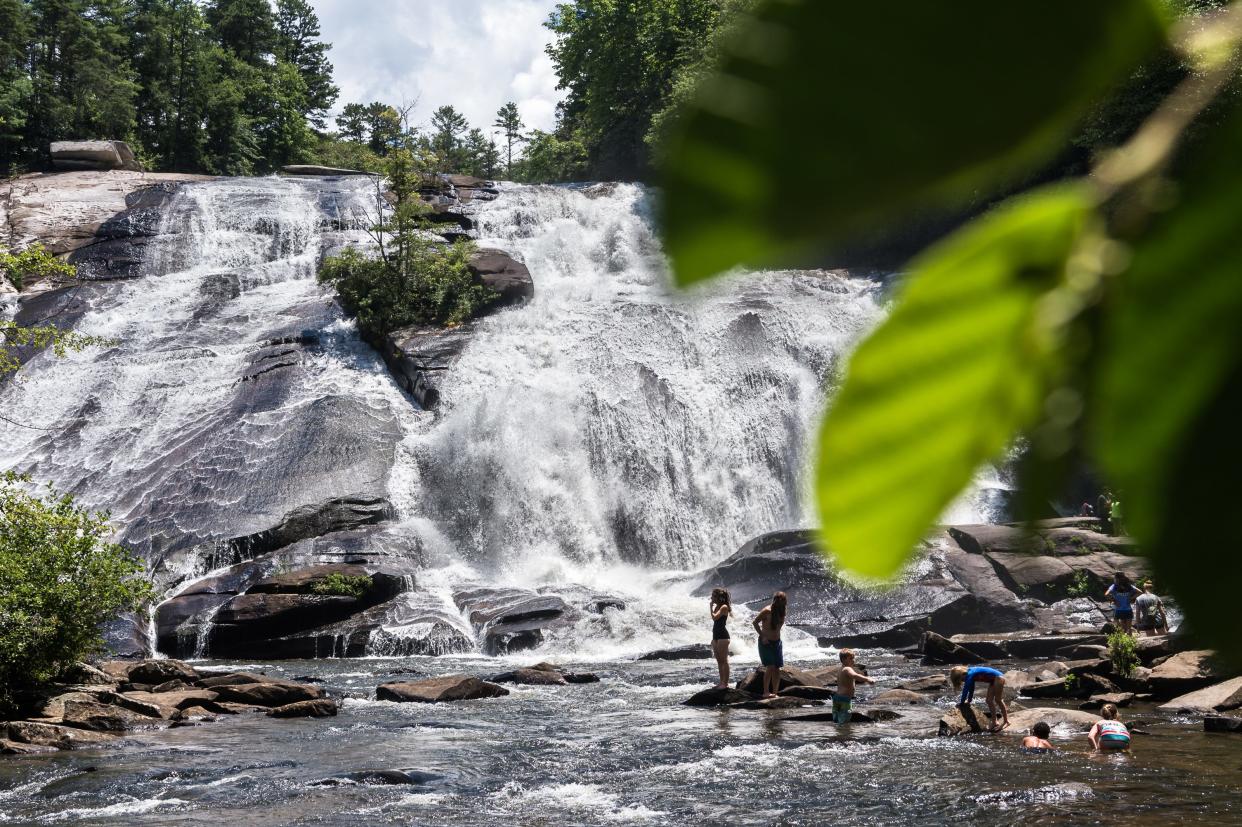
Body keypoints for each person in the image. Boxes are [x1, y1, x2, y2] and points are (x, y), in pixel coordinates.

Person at [950, 664, 1010, 732]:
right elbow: (971, 689)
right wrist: (969, 701)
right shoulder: (969, 675)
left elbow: (965, 690)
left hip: (999, 678)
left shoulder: (970, 674)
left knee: (998, 700)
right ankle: (995, 722)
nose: (964, 681)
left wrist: (961, 703)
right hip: (993, 680)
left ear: (963, 674)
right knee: (989, 701)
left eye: (962, 679)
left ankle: (1006, 721)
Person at [752, 591, 787, 699]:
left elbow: (778, 627)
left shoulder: (783, 611)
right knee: (770, 666)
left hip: (777, 642)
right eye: (778, 600)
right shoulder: (767, 611)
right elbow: (755, 622)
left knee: (777, 668)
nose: (780, 603)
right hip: (765, 642)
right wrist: (763, 636)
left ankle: (775, 693)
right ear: (775, 600)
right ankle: (766, 692)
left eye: (782, 601)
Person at [832, 648, 875, 724]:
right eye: (851, 658)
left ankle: (838, 732)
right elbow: (855, 675)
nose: (853, 660)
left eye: (853, 658)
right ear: (843, 659)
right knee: (844, 720)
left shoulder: (840, 669)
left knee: (837, 719)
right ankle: (844, 734)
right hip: (844, 699)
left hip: (837, 698)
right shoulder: (847, 669)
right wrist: (867, 679)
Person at [709, 588, 732, 688]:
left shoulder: (724, 607)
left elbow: (715, 617)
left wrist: (710, 607)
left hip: (723, 636)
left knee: (724, 660)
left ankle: (725, 683)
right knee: (719, 661)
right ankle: (721, 682)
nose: (711, 598)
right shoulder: (717, 607)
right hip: (715, 636)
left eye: (713, 596)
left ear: (718, 597)